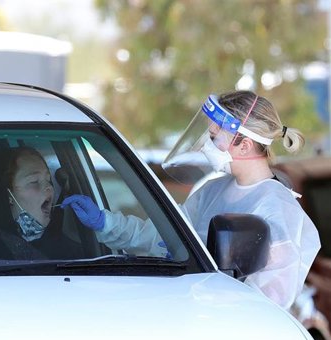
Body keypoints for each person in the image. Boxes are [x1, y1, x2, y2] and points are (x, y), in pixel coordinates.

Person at [63, 90, 321, 309]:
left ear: (244, 146)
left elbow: (270, 301)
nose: (206, 146)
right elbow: (165, 238)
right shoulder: (213, 190)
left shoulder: (276, 208)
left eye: (213, 138)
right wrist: (106, 223)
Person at [0, 146, 83, 260]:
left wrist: (103, 226)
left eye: (48, 180)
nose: (49, 188)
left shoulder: (67, 251)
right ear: (7, 194)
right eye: (34, 182)